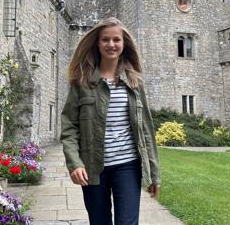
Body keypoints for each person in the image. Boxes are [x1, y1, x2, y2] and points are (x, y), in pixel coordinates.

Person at [60, 17, 160, 225]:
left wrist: (154, 174)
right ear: (98, 43)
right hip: (93, 168)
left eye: (116, 40)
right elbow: (69, 126)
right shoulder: (82, 82)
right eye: (106, 39)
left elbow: (146, 130)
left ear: (124, 44)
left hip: (128, 166)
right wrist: (74, 164)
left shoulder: (134, 82)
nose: (111, 44)